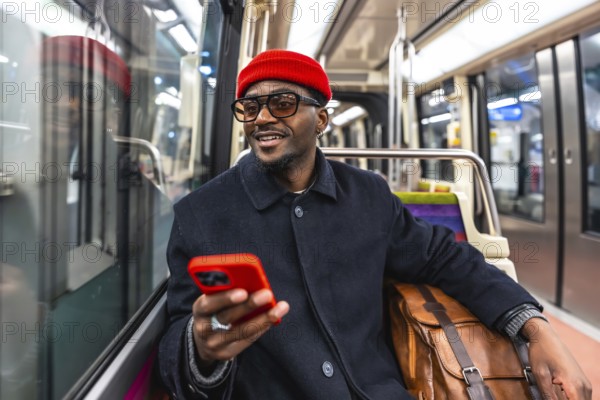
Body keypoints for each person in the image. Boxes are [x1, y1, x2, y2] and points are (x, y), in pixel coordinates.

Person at [157, 49, 591, 399]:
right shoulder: (201, 213)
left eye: (283, 103)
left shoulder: (368, 196)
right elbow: (179, 335)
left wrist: (535, 328)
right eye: (249, 107)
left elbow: (444, 258)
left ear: (321, 119)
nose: (263, 118)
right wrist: (202, 349)